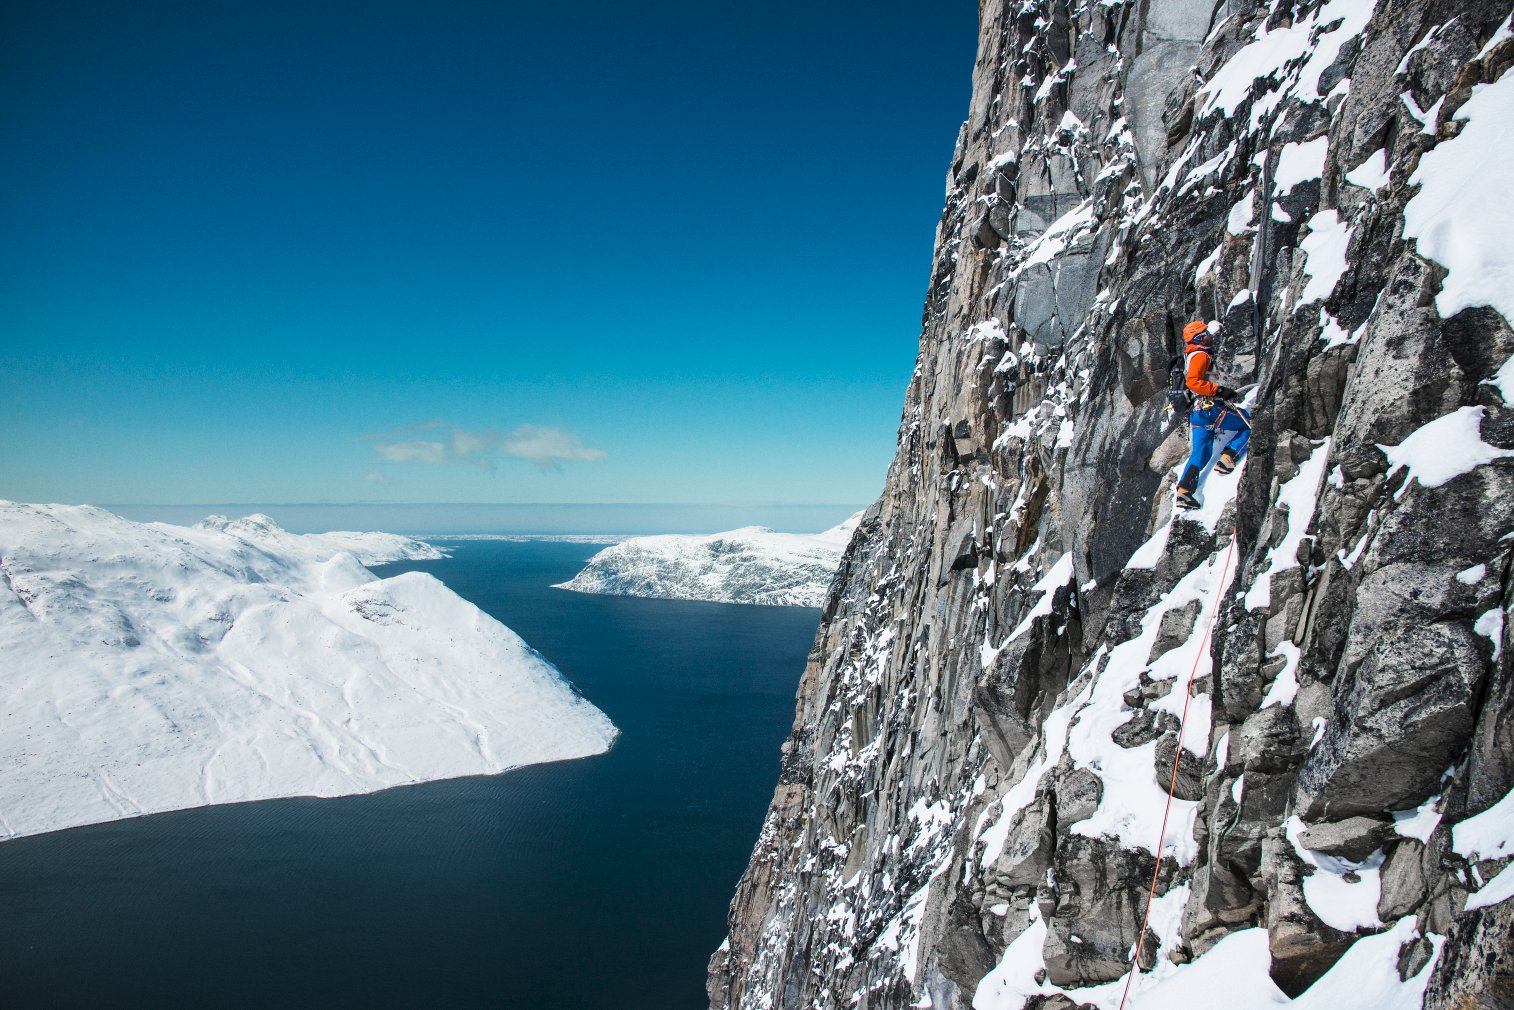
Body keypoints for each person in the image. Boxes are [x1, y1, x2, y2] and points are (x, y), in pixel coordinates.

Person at [1175, 320, 1250, 511]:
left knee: (1201, 452)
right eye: (1204, 333)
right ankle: (1228, 458)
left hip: (1197, 412)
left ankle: (1184, 492)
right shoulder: (1200, 355)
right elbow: (1193, 382)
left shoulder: (1189, 356)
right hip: (1210, 407)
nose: (1209, 335)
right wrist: (1219, 390)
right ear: (1198, 338)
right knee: (1248, 424)